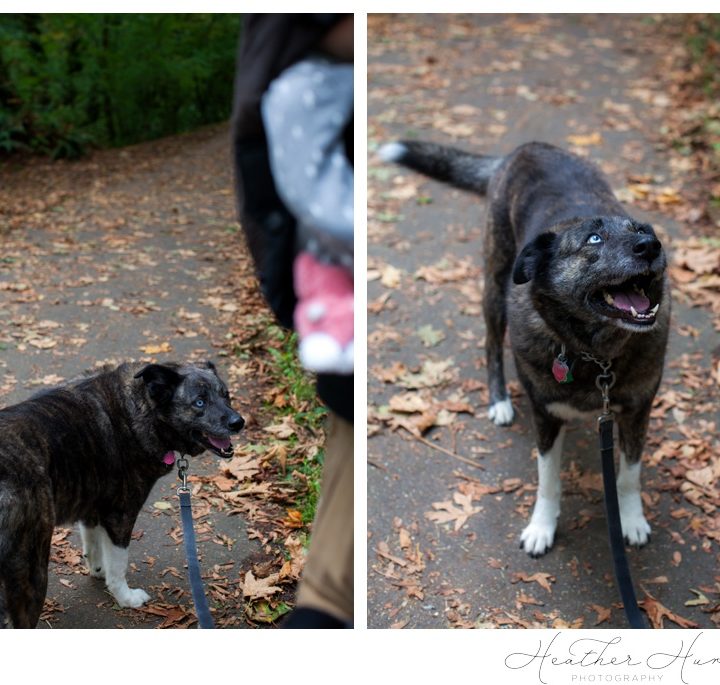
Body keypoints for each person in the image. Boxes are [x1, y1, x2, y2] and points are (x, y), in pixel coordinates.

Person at [232, 14, 353, 629]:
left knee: (334, 578)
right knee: (333, 593)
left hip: (349, 362)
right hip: (345, 340)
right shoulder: (300, 92)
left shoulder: (331, 79)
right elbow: (318, 206)